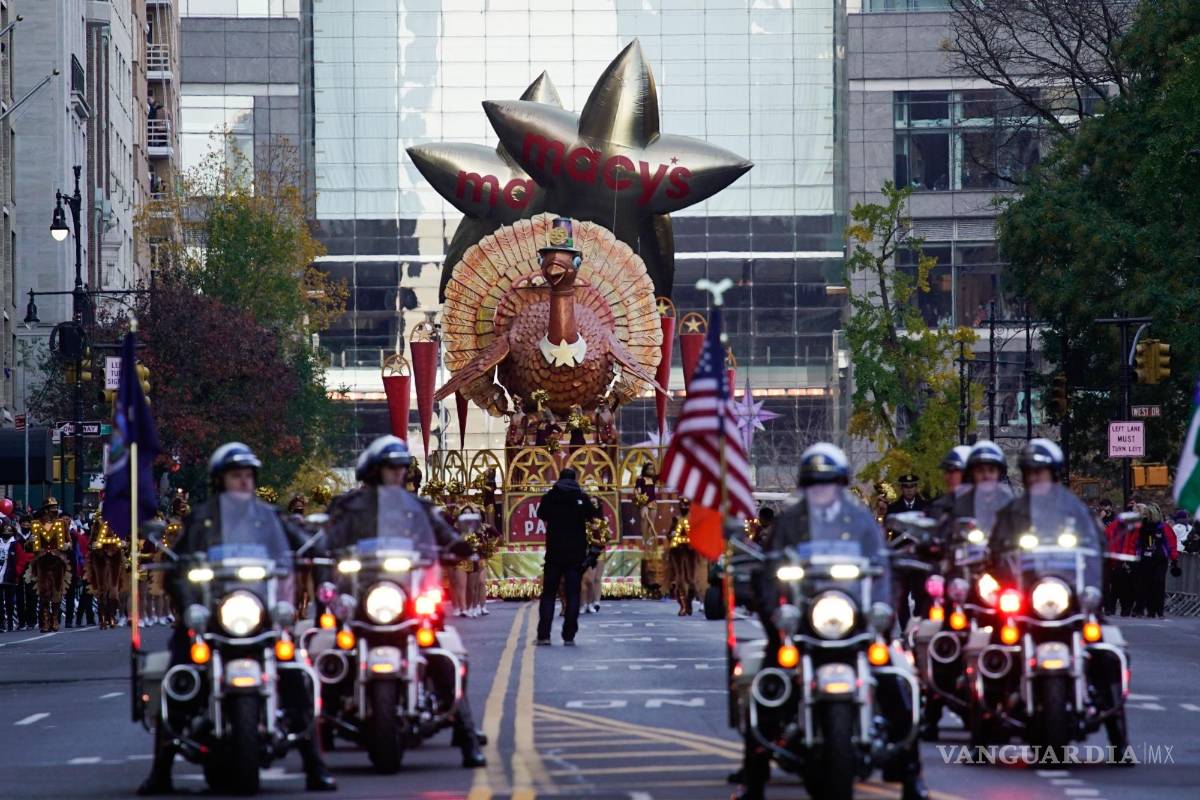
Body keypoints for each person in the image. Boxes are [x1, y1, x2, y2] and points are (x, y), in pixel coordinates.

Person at [137, 442, 337, 795]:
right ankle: (161, 769)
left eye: (247, 475)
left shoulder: (269, 517)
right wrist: (187, 597)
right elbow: (178, 565)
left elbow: (304, 545)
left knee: (293, 673)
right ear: (220, 481)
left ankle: (314, 764)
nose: (243, 482)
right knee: (178, 671)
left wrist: (318, 550)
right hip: (213, 616)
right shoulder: (202, 519)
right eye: (235, 476)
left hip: (259, 614)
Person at [732, 443, 927, 800]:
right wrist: (776, 610)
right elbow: (769, 568)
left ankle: (911, 772)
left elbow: (881, 566)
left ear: (841, 484)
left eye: (830, 482)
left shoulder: (861, 522)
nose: (822, 490)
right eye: (815, 483)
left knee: (895, 676)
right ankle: (754, 773)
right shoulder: (790, 523)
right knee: (767, 682)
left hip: (852, 619)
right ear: (805, 487)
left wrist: (882, 606)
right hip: (804, 620)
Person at [326, 435, 487, 768]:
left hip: (407, 597)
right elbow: (330, 539)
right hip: (363, 598)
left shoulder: (418, 508)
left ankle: (467, 735)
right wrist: (318, 550)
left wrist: (458, 545)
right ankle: (317, 728)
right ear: (374, 471)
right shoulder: (352, 508)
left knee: (447, 653)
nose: (398, 474)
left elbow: (442, 533)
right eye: (391, 468)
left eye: (401, 468)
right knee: (327, 653)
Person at [535, 467, 599, 646]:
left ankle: (544, 635)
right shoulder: (581, 497)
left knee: (548, 594)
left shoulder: (551, 496)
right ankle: (569, 634)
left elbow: (541, 514)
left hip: (554, 552)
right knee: (573, 594)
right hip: (576, 554)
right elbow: (593, 516)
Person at [1131, 504, 1179, 618]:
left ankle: (1158, 610)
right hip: (1146, 559)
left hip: (1159, 559)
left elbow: (1171, 543)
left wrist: (1174, 558)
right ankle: (1149, 610)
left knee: (1158, 583)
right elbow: (1135, 543)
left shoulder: (1163, 528)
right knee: (1146, 585)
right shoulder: (1141, 528)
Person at [667, 498, 699, 616]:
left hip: (690, 551)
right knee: (679, 579)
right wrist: (672, 535)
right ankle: (683, 606)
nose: (684, 507)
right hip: (677, 552)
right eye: (682, 505)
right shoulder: (676, 519)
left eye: (686, 505)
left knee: (691, 579)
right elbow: (669, 534)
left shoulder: (693, 520)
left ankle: (689, 602)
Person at [0, 517, 19, 631]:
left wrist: (16, 572)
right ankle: (2, 623)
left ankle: (11, 622)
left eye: (9, 530)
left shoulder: (15, 543)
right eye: (4, 530)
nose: (6, 532)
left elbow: (20, 559)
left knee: (10, 601)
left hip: (10, 575)